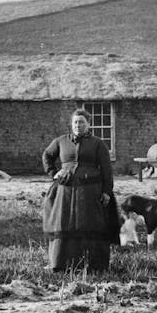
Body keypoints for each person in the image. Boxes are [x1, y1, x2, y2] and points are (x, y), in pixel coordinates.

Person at [42, 109, 120, 273]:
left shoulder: (98, 143)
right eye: (75, 122)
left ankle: (93, 265)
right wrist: (53, 172)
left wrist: (106, 191)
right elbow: (47, 155)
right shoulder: (61, 141)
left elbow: (106, 169)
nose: (78, 125)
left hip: (90, 193)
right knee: (64, 223)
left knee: (90, 224)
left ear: (88, 124)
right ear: (71, 124)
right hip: (65, 192)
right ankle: (61, 263)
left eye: (82, 122)